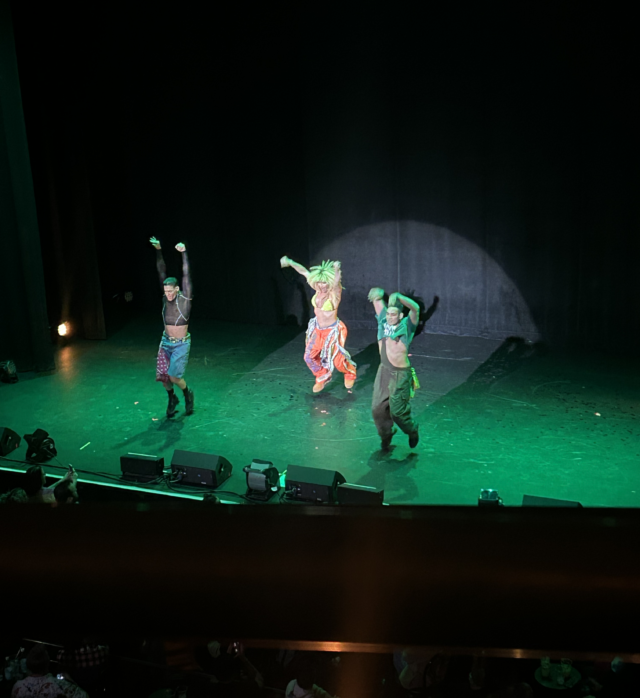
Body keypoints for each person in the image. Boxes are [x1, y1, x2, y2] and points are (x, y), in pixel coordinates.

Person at [280, 256, 356, 393]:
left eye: (324, 283)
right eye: (319, 283)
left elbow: (337, 281)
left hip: (333, 331)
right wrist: (290, 262)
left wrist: (337, 269)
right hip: (317, 329)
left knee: (338, 361)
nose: (321, 286)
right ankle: (322, 375)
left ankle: (350, 372)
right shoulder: (317, 289)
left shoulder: (334, 294)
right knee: (309, 357)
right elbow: (303, 272)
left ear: (329, 282)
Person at [368, 287, 420, 450]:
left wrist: (398, 296)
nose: (390, 317)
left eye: (394, 314)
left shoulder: (407, 326)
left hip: (400, 374)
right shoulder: (383, 320)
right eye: (388, 314)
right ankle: (386, 435)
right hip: (383, 372)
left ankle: (412, 430)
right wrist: (377, 294)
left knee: (397, 412)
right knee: (377, 409)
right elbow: (376, 298)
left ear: (400, 315)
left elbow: (416, 308)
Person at [150, 237, 194, 417]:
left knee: (175, 377)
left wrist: (183, 254)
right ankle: (172, 398)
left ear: (177, 289)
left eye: (170, 291)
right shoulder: (164, 297)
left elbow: (186, 275)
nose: (167, 294)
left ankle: (187, 394)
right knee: (163, 378)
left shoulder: (185, 300)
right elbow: (161, 270)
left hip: (181, 344)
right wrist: (159, 249)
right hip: (166, 342)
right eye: (165, 291)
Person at [11, 644, 88, 698]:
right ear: (47, 663)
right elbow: (84, 695)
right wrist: (70, 680)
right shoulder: (61, 686)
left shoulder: (18, 687)